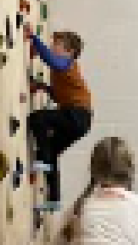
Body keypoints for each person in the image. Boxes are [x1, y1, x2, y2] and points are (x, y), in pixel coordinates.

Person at [25, 22, 93, 211]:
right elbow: (58, 95)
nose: (53, 47)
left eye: (57, 45)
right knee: (53, 152)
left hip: (78, 114)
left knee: (36, 119)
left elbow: (52, 60)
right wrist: (42, 87)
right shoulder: (61, 72)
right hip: (80, 121)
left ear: (69, 51)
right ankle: (54, 199)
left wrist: (33, 38)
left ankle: (43, 158)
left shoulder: (67, 64)